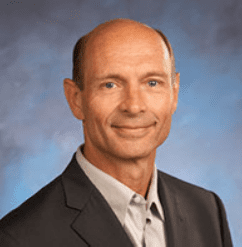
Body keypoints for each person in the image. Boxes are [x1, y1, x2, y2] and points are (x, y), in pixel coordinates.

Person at [0, 18, 233, 247]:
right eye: (110, 84)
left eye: (152, 83)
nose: (133, 106)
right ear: (76, 100)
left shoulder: (207, 210)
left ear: (174, 93)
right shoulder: (20, 238)